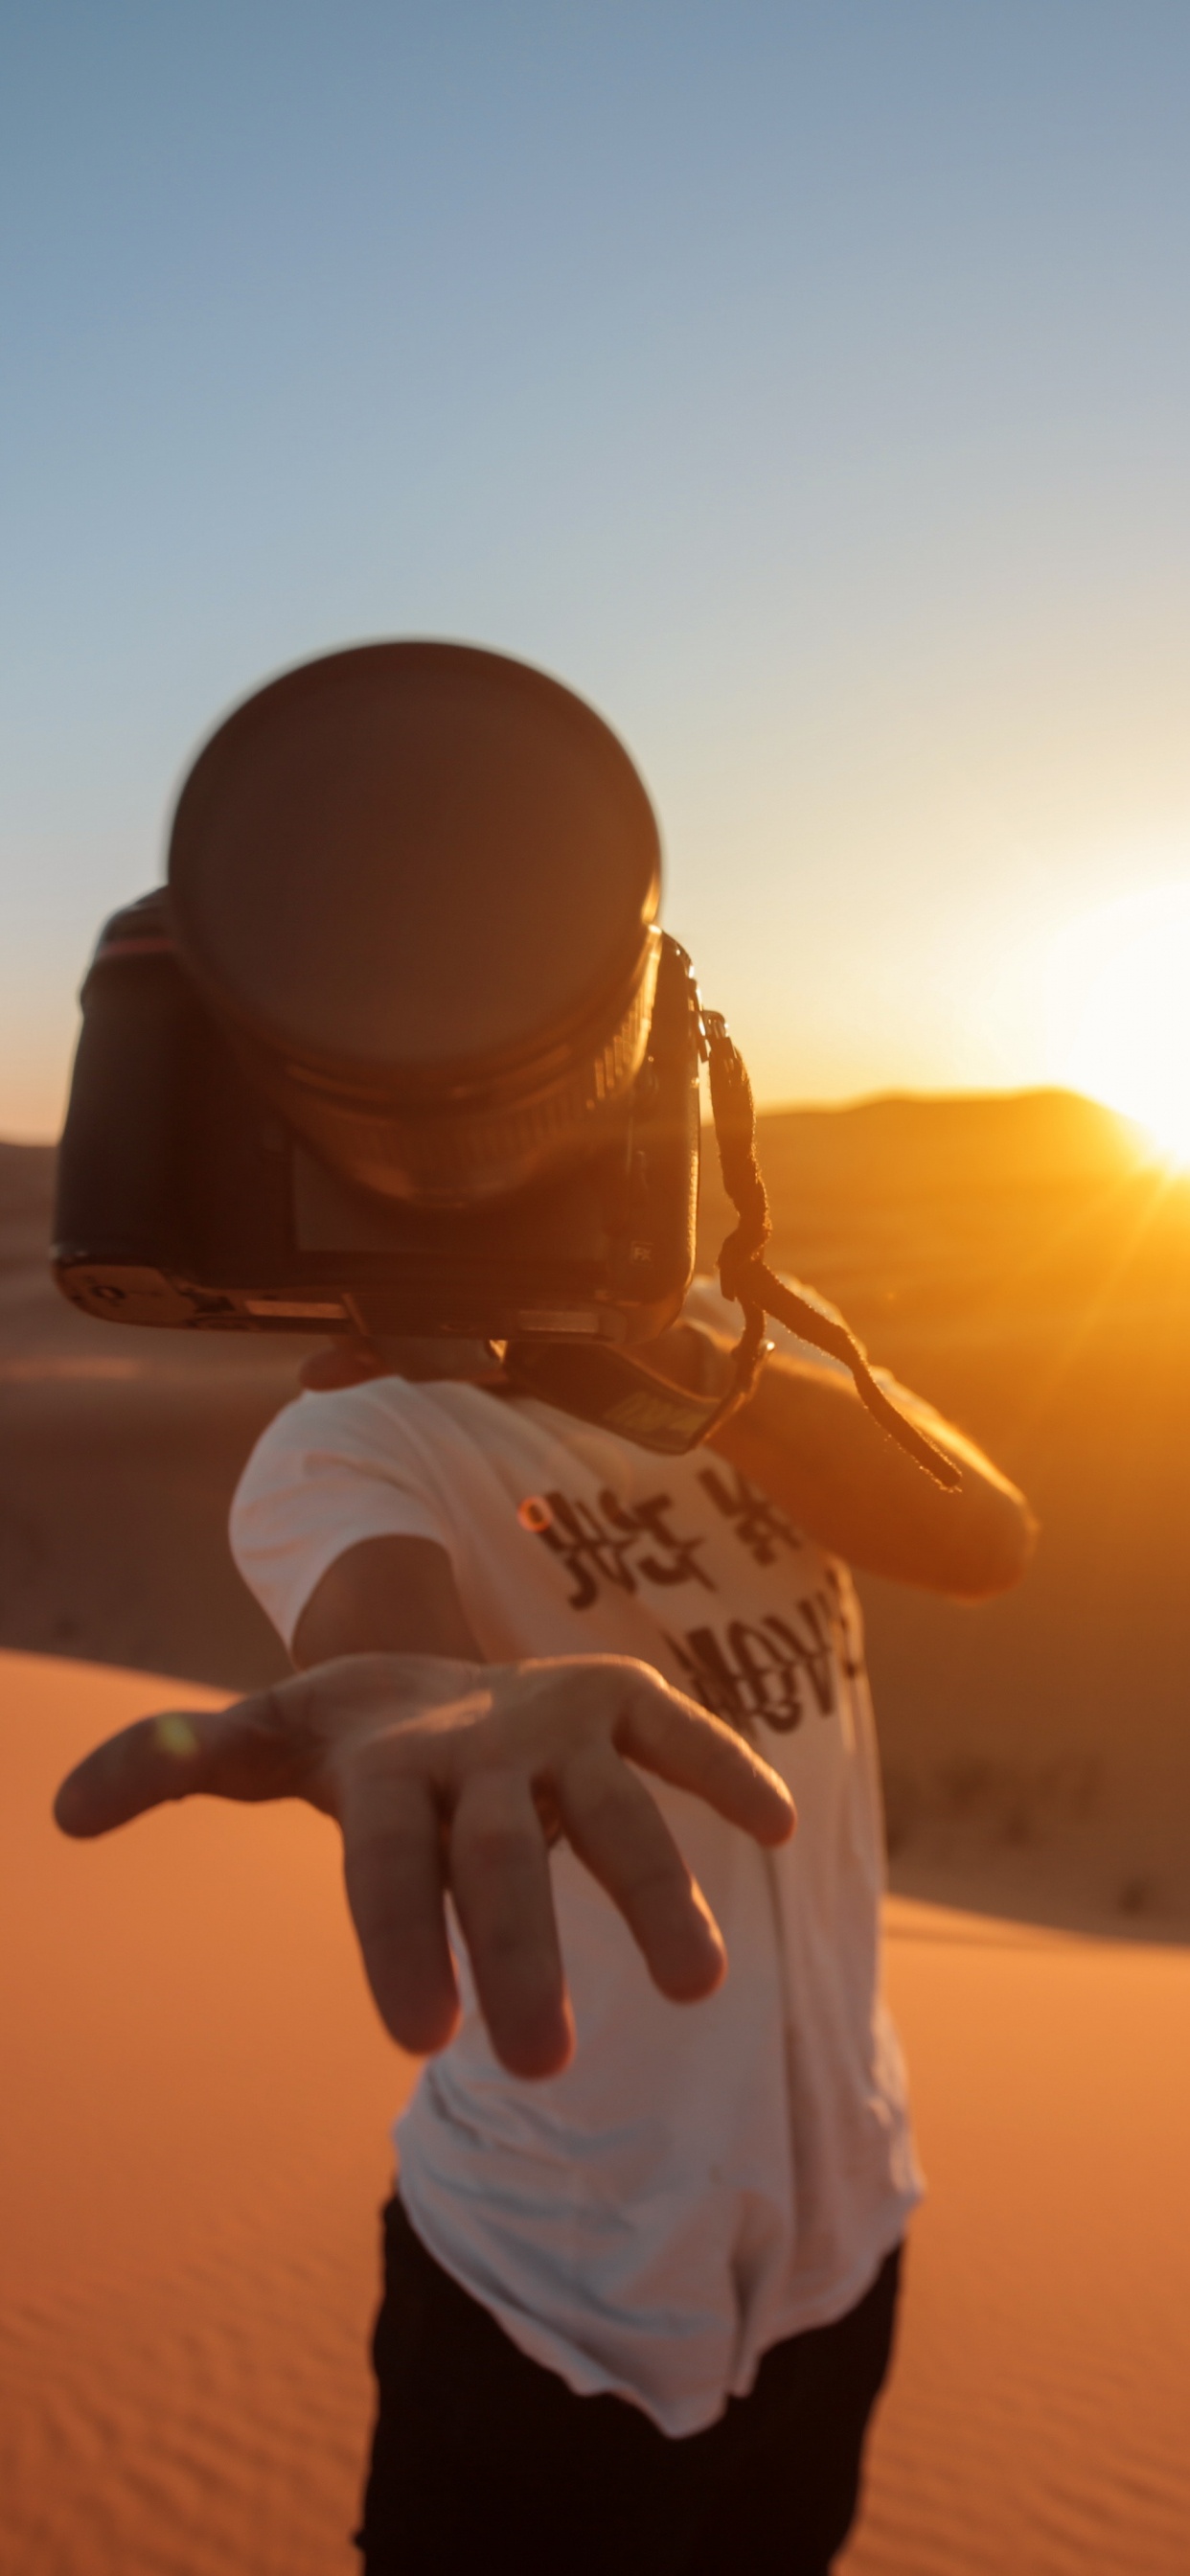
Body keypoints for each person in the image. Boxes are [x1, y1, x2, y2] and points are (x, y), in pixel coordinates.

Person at [56, 1278, 1034, 2575]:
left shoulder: (739, 1337)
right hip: (550, 2306)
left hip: (838, 2260)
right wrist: (432, 1705)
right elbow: (397, 1656)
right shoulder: (357, 1440)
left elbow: (984, 1540)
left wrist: (674, 1355)